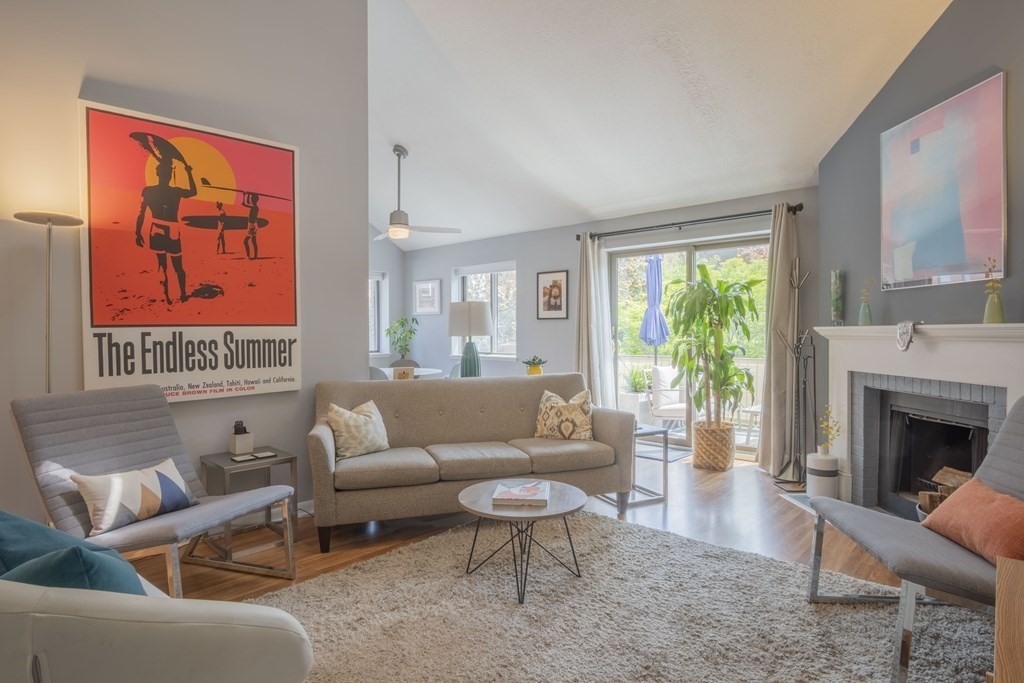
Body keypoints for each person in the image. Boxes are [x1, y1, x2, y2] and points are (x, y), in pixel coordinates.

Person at [135, 157, 196, 304]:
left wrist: (138, 232)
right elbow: (193, 191)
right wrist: (188, 172)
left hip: (156, 229)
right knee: (178, 267)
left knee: (162, 266)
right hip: (172, 229)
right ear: (169, 175)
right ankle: (182, 295)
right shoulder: (175, 191)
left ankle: (167, 297)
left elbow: (141, 213)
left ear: (157, 173)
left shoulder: (148, 191)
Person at [242, 192, 260, 259]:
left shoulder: (254, 207)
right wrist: (248, 194)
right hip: (254, 225)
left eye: (251, 198)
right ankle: (255, 256)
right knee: (253, 241)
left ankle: (248, 256)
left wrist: (244, 195)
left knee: (245, 241)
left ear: (254, 200)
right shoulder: (255, 207)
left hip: (251, 226)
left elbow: (244, 204)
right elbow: (247, 202)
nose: (251, 199)